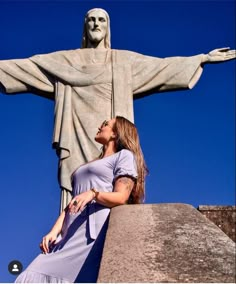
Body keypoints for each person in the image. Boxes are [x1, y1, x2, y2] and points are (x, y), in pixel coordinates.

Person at [0, 8, 235, 211]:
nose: (96, 24)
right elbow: (28, 67)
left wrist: (201, 59)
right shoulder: (66, 61)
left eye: (101, 20)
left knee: (117, 179)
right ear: (84, 27)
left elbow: (161, 67)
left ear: (108, 27)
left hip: (114, 134)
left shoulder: (122, 61)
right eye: (91, 20)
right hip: (76, 132)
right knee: (78, 182)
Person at [15, 116, 147, 283]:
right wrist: (54, 231)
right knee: (33, 274)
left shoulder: (124, 156)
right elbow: (73, 202)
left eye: (106, 124)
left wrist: (93, 193)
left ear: (115, 133)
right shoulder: (95, 162)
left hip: (93, 232)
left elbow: (121, 197)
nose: (100, 125)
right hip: (70, 232)